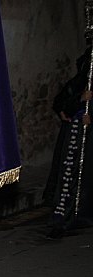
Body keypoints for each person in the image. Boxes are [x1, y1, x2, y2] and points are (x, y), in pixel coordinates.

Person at [44, 46, 93, 239]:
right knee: (68, 178)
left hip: (89, 139)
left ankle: (81, 214)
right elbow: (61, 102)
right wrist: (79, 100)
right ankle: (62, 217)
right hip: (74, 136)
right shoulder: (80, 82)